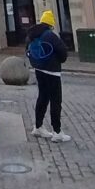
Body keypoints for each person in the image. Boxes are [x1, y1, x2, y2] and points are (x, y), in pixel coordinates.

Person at [26, 10, 70, 143]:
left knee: (43, 97)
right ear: (51, 24)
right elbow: (63, 53)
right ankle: (57, 131)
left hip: (39, 70)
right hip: (52, 71)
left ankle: (38, 126)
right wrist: (57, 61)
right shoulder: (50, 35)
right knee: (56, 100)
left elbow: (28, 51)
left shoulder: (32, 35)